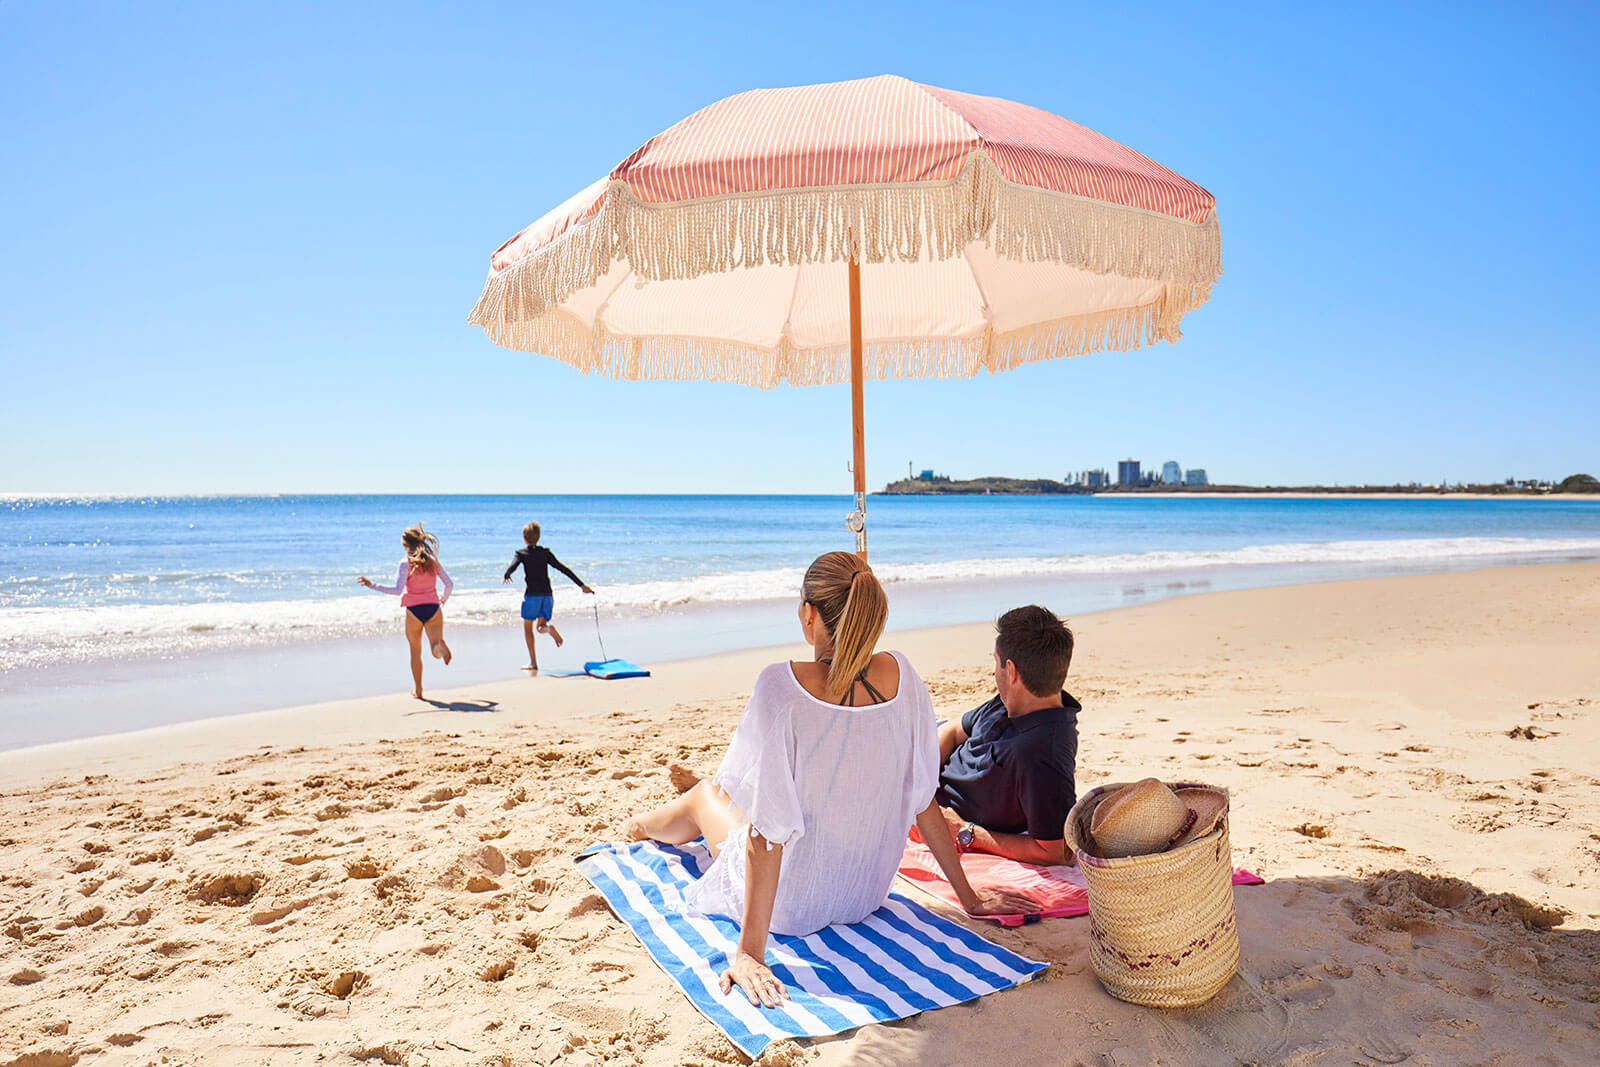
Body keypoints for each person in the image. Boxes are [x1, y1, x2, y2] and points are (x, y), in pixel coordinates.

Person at [620, 551, 1031, 1009]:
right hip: (864, 892)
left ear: (808, 613)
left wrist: (750, 954)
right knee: (732, 799)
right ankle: (646, 822)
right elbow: (922, 801)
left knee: (705, 795)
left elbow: (765, 837)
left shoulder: (782, 686)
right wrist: (968, 898)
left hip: (791, 906)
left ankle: (636, 828)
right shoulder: (904, 677)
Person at [933, 605, 1081, 867]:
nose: (994, 672)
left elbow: (1054, 851)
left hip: (942, 806)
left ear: (1011, 671)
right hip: (931, 762)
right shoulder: (1013, 701)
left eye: (996, 662)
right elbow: (954, 730)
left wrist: (965, 832)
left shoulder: (1041, 753)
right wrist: (919, 778)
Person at [358, 524, 454, 700]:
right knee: (433, 647)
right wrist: (442, 599)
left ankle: (418, 690)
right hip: (433, 608)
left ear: (404, 545)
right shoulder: (433, 561)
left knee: (415, 652)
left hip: (414, 611)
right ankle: (440, 648)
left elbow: (397, 590)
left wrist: (372, 585)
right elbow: (449, 583)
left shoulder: (405, 564)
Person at [501, 521, 593, 674]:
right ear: (539, 537)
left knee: (529, 629)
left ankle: (533, 662)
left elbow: (513, 565)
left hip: (532, 596)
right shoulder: (546, 553)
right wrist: (581, 585)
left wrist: (507, 574)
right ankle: (547, 628)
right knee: (540, 627)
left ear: (524, 538)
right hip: (547, 595)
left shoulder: (521, 554)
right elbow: (563, 568)